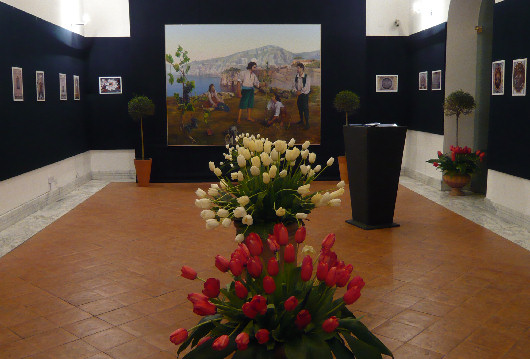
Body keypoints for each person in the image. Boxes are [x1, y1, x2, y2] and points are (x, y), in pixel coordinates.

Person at [292, 62, 311, 129]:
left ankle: (307, 123)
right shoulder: (296, 77)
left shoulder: (306, 77)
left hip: (304, 95)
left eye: (298, 68)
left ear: (302, 69)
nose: (297, 69)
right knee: (299, 108)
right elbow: (293, 86)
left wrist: (301, 92)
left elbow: (307, 87)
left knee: (305, 109)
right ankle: (301, 120)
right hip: (299, 95)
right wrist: (295, 91)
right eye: (297, 68)